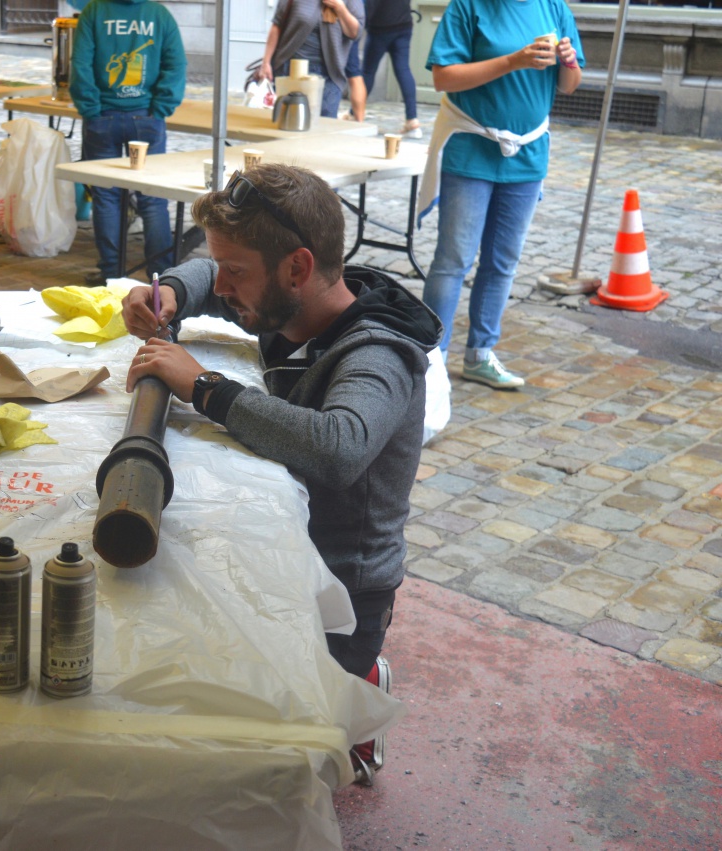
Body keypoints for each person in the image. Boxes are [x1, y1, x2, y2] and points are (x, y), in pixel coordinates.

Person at [121, 164, 441, 784]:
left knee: (286, 764)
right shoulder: (296, 301)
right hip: (286, 543)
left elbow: (339, 447)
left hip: (340, 590)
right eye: (221, 267)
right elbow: (207, 275)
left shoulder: (378, 354)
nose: (222, 286)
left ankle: (357, 679)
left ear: (297, 267)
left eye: (236, 272)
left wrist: (202, 386)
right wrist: (172, 293)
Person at [421, 0, 582, 389]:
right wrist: (513, 61)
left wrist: (568, 61)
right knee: (453, 259)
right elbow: (444, 77)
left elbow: (569, 85)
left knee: (503, 261)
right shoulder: (468, 6)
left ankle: (480, 354)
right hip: (470, 147)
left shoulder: (554, 8)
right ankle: (429, 360)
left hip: (527, 154)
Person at [71, 0, 186, 286]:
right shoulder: (159, 15)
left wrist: (91, 108)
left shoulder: (94, 11)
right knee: (153, 197)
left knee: (106, 197)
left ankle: (111, 274)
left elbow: (80, 63)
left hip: (103, 118)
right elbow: (176, 64)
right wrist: (160, 108)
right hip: (146, 117)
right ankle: (161, 278)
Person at [259, 0, 365, 119]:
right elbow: (277, 25)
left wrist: (340, 8)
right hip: (290, 70)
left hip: (329, 75)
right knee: (286, 121)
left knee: (325, 125)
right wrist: (266, 62)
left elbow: (355, 33)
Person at [361, 0, 421, 138]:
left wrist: (363, 23)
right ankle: (412, 119)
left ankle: (355, 114)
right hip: (403, 23)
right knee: (403, 69)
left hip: (379, 27)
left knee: (368, 72)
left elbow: (370, 4)